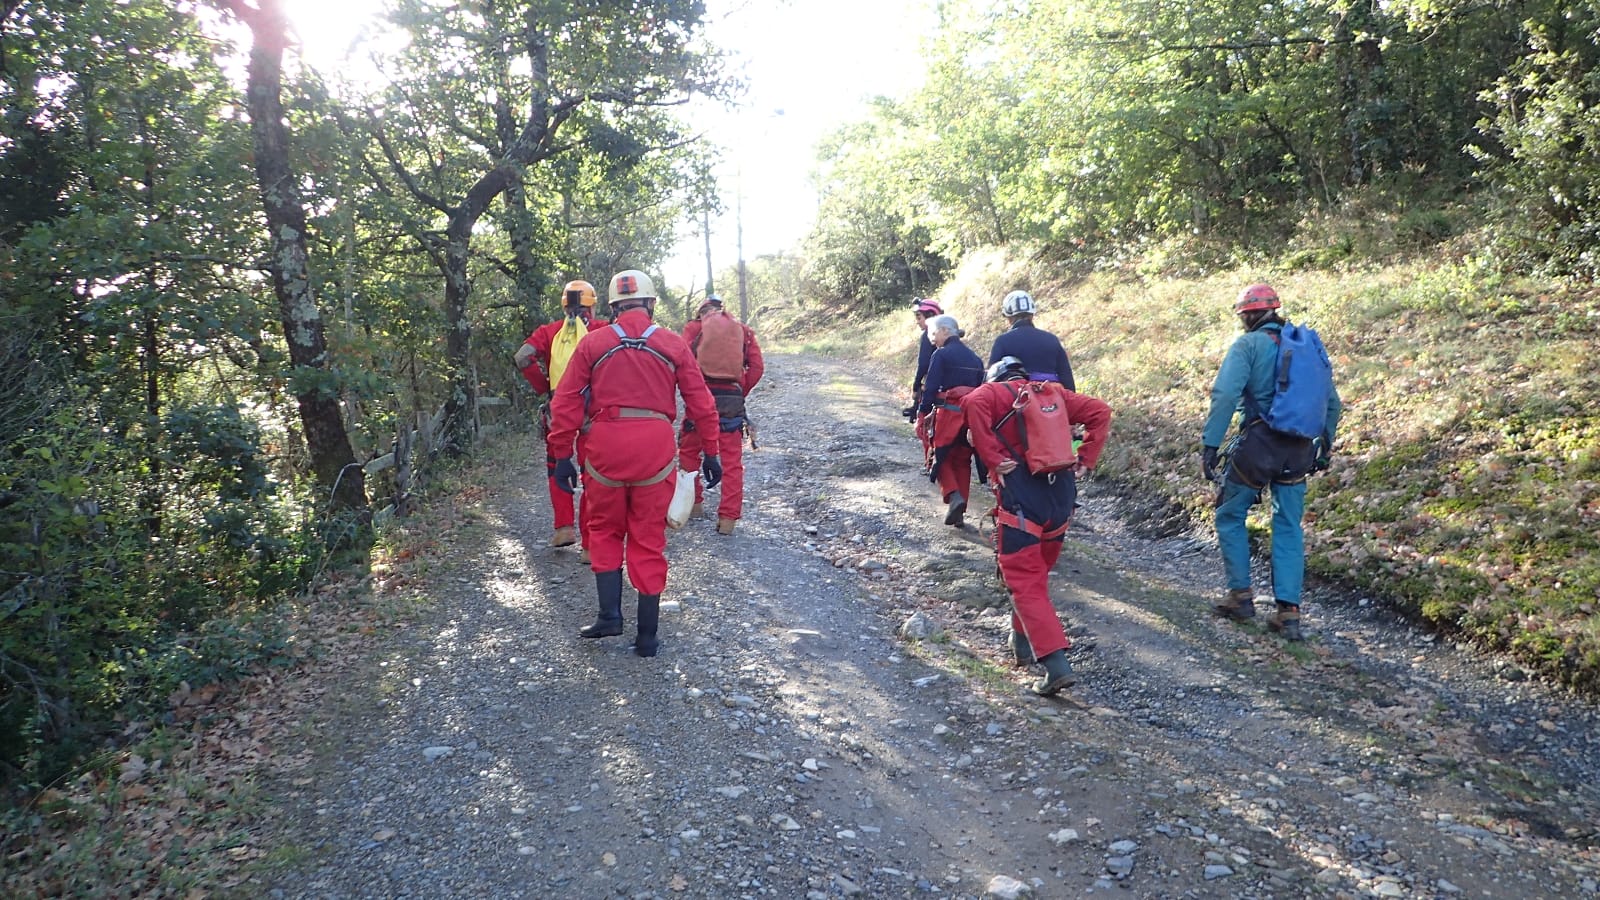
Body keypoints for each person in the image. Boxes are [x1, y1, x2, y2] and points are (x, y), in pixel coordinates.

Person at [547, 270, 722, 657]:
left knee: (604, 528)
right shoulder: (671, 344)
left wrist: (561, 454)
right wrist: (711, 450)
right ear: (651, 303)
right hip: (654, 450)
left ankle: (609, 615)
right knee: (648, 536)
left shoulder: (593, 344)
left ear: (613, 306)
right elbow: (700, 402)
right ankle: (647, 637)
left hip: (605, 449)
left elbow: (567, 400)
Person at [961, 356, 1112, 696]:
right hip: (1061, 498)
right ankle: (1021, 644)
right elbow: (1100, 411)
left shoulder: (990, 395)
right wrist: (1086, 458)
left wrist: (993, 457)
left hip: (1022, 501)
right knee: (1035, 577)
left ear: (995, 377)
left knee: (1025, 581)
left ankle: (1056, 665)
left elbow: (971, 402)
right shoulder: (1052, 392)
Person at [1201, 283, 1342, 642]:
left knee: (1230, 513)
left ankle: (1240, 596)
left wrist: (1211, 444)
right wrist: (1323, 449)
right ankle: (1288, 614)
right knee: (1289, 525)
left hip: (1259, 446)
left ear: (1248, 316)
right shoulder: (1306, 346)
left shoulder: (1248, 345)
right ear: (1275, 311)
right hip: (1299, 450)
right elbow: (1332, 403)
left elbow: (1225, 393)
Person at [514, 280, 609, 552]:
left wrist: (544, 388)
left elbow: (522, 357)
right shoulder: (603, 329)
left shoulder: (550, 331)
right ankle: (590, 545)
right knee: (592, 472)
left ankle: (563, 528)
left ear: (564, 304)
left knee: (556, 465)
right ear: (592, 304)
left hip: (558, 407)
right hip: (592, 409)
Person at [677, 295, 765, 535]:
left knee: (689, 452)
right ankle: (728, 519)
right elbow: (757, 367)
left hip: (700, 397)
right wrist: (739, 389)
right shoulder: (742, 330)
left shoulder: (694, 328)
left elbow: (682, 362)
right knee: (732, 462)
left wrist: (693, 390)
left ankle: (693, 505)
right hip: (731, 402)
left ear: (701, 311)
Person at [915, 314, 985, 527]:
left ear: (945, 331)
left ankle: (954, 495)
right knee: (963, 460)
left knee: (940, 457)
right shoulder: (976, 359)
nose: (932, 339)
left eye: (933, 333)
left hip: (948, 415)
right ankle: (959, 512)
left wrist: (921, 413)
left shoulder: (941, 355)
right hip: (970, 418)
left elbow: (931, 387)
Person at [987, 290, 1075, 389]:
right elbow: (1067, 380)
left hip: (1018, 396)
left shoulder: (1002, 341)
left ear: (1009, 317)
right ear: (1032, 315)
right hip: (1053, 395)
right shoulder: (1052, 339)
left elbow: (991, 379)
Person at [903, 298, 944, 468]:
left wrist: (915, 386)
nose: (917, 321)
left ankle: (930, 462)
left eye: (919, 317)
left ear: (929, 316)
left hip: (930, 386)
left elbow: (923, 364)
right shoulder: (946, 335)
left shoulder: (927, 336)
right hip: (945, 386)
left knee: (925, 424)